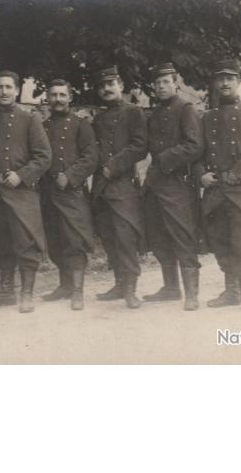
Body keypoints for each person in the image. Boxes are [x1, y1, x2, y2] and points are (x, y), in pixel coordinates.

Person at [193, 59, 241, 314]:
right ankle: (231, 292)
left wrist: (238, 172)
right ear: (215, 84)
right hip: (215, 191)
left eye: (230, 78)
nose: (225, 83)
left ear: (238, 82)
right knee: (220, 241)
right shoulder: (207, 117)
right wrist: (201, 175)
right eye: (220, 78)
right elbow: (197, 154)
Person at [0, 70, 52, 313]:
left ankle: (26, 293)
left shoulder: (30, 119)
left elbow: (44, 157)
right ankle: (6, 291)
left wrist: (21, 175)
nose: (4, 92)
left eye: (9, 87)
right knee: (1, 242)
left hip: (22, 193)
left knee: (25, 243)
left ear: (17, 90)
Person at [142, 63, 204, 310]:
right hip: (156, 184)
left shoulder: (185, 109)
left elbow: (194, 145)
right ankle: (170, 288)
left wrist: (165, 158)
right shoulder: (155, 113)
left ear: (175, 83)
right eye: (157, 83)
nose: (161, 87)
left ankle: (192, 294)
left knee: (182, 236)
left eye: (165, 82)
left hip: (178, 184)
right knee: (158, 235)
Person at [91, 65, 148, 308]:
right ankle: (119, 284)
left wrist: (113, 165)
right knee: (109, 236)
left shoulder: (134, 112)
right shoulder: (99, 118)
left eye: (111, 84)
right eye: (102, 85)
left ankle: (131, 290)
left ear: (121, 86)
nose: (106, 89)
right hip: (101, 188)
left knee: (126, 238)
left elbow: (139, 146)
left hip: (124, 186)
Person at [40, 79, 98, 310]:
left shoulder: (81, 125)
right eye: (53, 95)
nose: (58, 99)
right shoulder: (42, 126)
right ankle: (64, 286)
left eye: (62, 95)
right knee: (54, 240)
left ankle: (77, 291)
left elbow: (91, 156)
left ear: (70, 97)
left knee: (74, 241)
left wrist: (71, 175)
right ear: (48, 98)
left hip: (72, 193)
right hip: (47, 192)